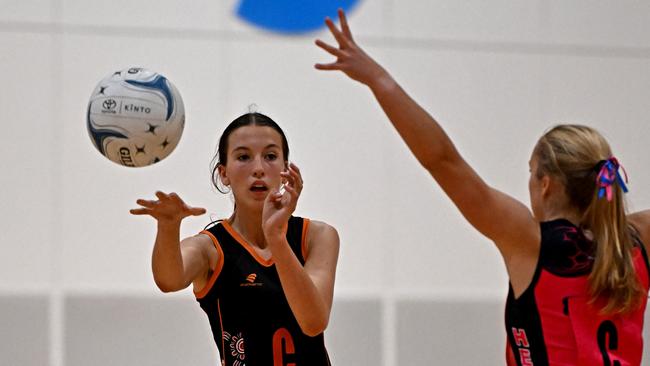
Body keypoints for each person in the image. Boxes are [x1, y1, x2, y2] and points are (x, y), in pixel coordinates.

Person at [314, 9, 650, 365]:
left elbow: (443, 160)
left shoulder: (531, 241)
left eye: (531, 171)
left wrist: (378, 79)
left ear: (546, 184)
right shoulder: (638, 240)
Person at [130, 112, 339, 365]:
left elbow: (313, 322)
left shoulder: (316, 236)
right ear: (224, 174)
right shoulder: (211, 248)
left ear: (286, 169)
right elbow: (169, 280)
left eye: (271, 156)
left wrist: (276, 237)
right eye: (243, 157)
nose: (259, 168)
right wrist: (168, 226)